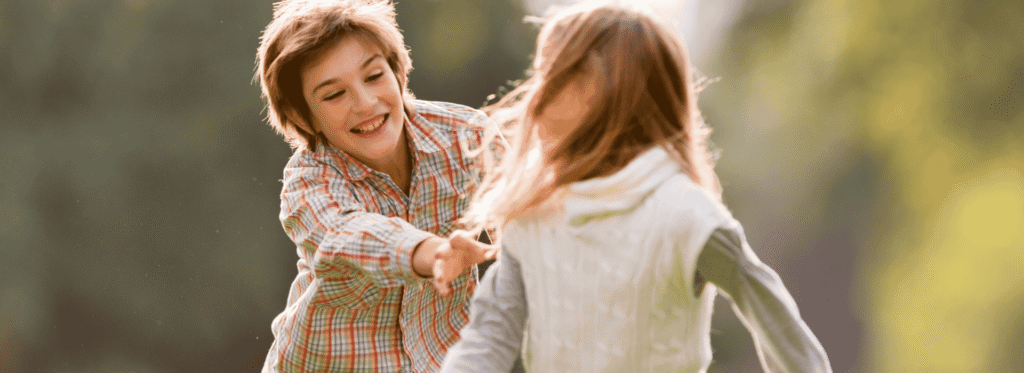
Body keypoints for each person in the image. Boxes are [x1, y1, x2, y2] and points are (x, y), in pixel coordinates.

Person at [432, 2, 833, 372]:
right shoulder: (532, 221)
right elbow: (488, 338)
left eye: (552, 75)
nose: (534, 96)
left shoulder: (683, 215)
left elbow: (777, 322)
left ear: (601, 92)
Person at [254, 0, 499, 371]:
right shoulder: (308, 182)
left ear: (398, 73)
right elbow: (346, 237)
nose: (365, 103)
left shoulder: (468, 137)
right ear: (304, 117)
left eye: (373, 76)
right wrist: (431, 252)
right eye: (334, 95)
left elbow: (534, 208)